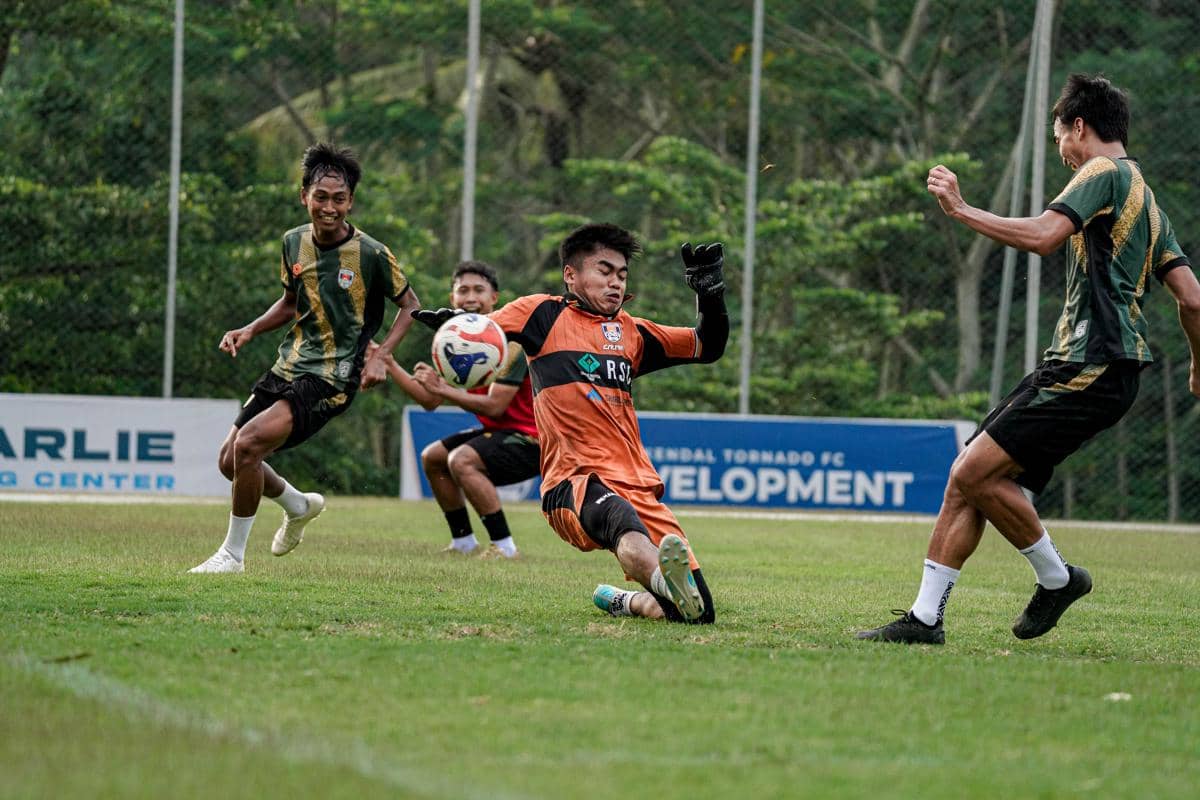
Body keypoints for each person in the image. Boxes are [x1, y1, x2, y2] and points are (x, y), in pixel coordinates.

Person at [858, 74, 1200, 644]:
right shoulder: (1148, 201)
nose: (1061, 154)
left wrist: (962, 210)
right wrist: (1197, 365)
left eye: (1059, 138)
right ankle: (923, 619)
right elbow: (1191, 296)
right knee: (966, 477)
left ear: (1079, 127)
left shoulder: (1101, 173)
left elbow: (1044, 236)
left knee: (971, 471)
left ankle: (1057, 577)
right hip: (1096, 368)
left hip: (1089, 362)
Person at [416, 223, 728, 623]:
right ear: (571, 275)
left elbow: (708, 345)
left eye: (622, 274)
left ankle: (625, 600)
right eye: (604, 271)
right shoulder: (543, 314)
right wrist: (460, 326)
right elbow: (489, 329)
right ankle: (662, 580)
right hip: (574, 480)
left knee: (698, 615)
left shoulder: (632, 333)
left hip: (638, 484)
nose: (615, 283)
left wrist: (709, 292)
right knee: (623, 526)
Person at [189, 142, 421, 573]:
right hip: (289, 364)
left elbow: (411, 306)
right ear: (304, 196)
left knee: (249, 444)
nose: (329, 208)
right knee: (230, 461)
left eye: (338, 199)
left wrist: (380, 357)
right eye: (320, 197)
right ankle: (298, 505)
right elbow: (290, 302)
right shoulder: (292, 242)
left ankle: (232, 557)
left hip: (334, 375)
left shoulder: (371, 253)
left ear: (350, 201)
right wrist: (249, 329)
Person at [375, 261, 539, 559]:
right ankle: (463, 543)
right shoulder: (452, 339)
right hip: (500, 432)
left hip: (533, 441)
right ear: (453, 298)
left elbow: (495, 405)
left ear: (494, 298)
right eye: (463, 290)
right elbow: (430, 401)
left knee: (461, 460)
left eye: (479, 290)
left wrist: (444, 389)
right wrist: (388, 362)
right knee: (433, 458)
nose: (470, 297)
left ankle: (505, 547)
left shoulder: (509, 342)